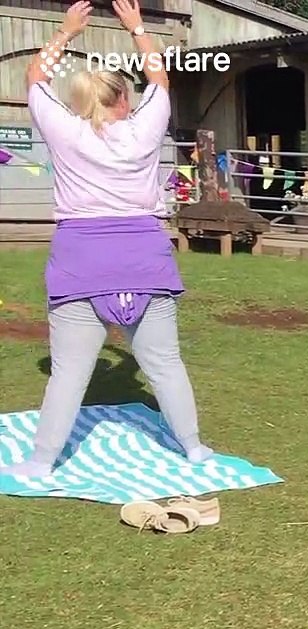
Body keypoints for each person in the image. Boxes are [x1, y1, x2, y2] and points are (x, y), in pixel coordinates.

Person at [1, 0, 214, 478]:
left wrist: (66, 32)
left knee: (68, 374)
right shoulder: (144, 129)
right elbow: (160, 78)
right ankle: (194, 448)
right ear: (123, 99)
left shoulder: (66, 131)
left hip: (82, 262)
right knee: (165, 364)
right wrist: (137, 27)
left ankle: (41, 461)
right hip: (145, 259)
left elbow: (35, 76)